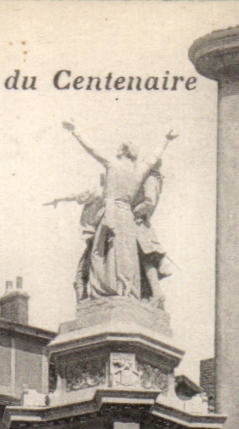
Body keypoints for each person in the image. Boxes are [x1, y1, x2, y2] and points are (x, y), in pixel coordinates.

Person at [61, 120, 178, 302]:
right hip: (127, 216)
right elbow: (154, 157)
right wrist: (166, 139)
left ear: (122, 151)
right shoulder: (139, 170)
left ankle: (108, 291)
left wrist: (75, 132)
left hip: (111, 212)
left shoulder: (112, 165)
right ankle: (126, 290)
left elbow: (92, 149)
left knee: (102, 255)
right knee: (125, 255)